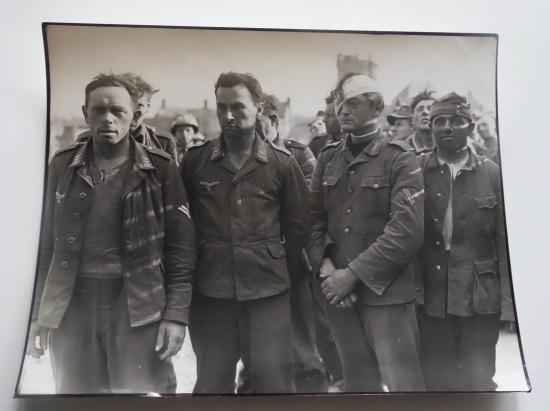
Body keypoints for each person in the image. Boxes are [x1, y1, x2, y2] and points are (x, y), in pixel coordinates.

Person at [26, 73, 196, 394]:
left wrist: (175, 315)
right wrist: (38, 314)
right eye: (98, 110)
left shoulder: (159, 168)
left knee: (141, 396)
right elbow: (44, 246)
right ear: (85, 113)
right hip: (73, 307)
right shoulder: (63, 167)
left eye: (118, 111)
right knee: (77, 397)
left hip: (137, 305)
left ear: (134, 117)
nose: (107, 118)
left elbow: (181, 250)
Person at [180, 72, 310, 394]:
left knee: (274, 386)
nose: (228, 116)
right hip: (212, 295)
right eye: (221, 107)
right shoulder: (196, 162)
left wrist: (273, 265)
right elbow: (183, 227)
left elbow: (298, 226)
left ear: (259, 107)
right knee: (211, 385)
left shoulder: (282, 164)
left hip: (267, 296)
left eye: (237, 107)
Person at [308, 73, 426, 392]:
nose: (342, 110)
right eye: (339, 104)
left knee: (405, 389)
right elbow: (313, 220)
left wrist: (352, 275)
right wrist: (327, 268)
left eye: (353, 103)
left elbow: (407, 231)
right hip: (338, 296)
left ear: (375, 107)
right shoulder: (327, 158)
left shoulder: (400, 158)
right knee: (359, 389)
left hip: (387, 296)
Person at [417, 92, 512, 391]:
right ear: (430, 128)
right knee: (436, 380)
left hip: (479, 294)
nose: (447, 127)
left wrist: (508, 306)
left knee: (478, 380)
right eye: (440, 121)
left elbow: (504, 244)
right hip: (431, 292)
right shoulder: (415, 169)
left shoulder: (492, 172)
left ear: (470, 128)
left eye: (456, 121)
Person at [251, 93, 327, 393]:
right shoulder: (238, 156)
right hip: (254, 264)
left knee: (302, 338)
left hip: (291, 259)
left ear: (272, 121)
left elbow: (308, 205)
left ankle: (312, 389)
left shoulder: (298, 153)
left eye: (259, 124)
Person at [78, 73, 179, 163]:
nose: (134, 111)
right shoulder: (87, 139)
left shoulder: (163, 142)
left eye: (139, 106)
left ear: (148, 107)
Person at [308, 91, 342, 159]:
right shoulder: (317, 144)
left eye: (329, 116)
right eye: (325, 115)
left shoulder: (359, 143)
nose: (324, 120)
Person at [406, 90, 436, 154]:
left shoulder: (448, 147)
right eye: (420, 109)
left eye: (430, 108)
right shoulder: (401, 150)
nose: (425, 112)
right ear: (412, 120)